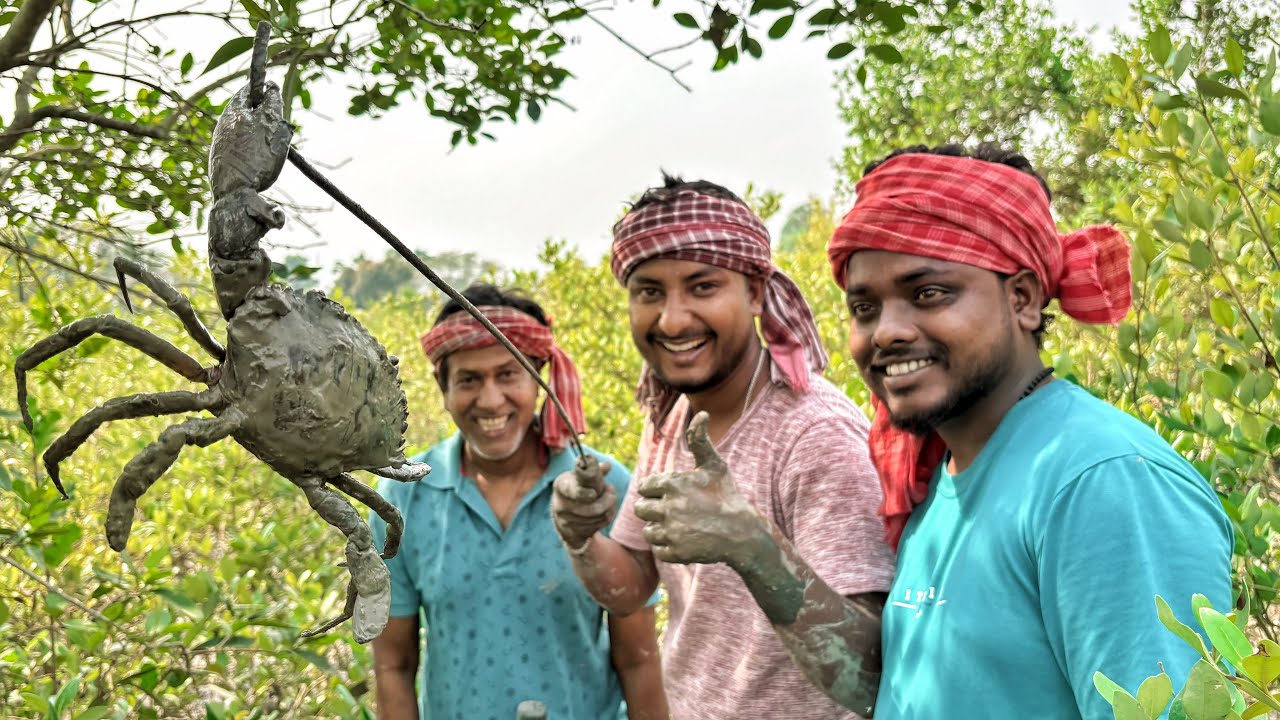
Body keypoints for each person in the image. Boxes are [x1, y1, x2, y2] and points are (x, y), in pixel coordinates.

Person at [825, 143, 1234, 718]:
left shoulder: (1100, 482)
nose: (886, 332)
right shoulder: (939, 476)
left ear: (1022, 298)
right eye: (864, 307)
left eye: (928, 293)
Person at [551, 175, 896, 719]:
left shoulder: (815, 436)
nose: (673, 318)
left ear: (756, 292)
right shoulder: (670, 417)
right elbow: (633, 586)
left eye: (702, 286)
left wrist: (754, 549)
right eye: (649, 292)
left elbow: (871, 676)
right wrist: (578, 538)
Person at [369, 284, 667, 720]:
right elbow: (393, 666)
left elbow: (638, 660)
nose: (491, 400)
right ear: (442, 384)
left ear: (539, 377)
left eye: (508, 374)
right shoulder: (405, 495)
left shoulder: (601, 489)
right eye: (469, 379)